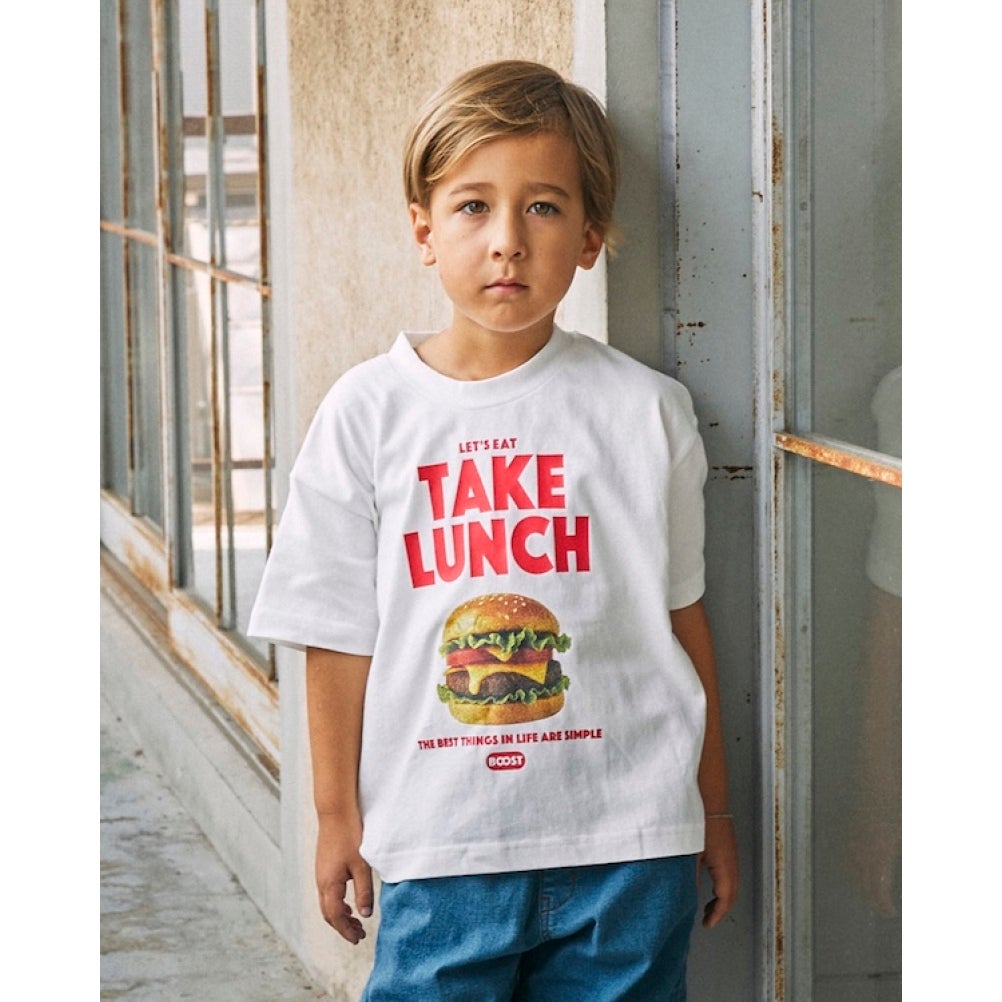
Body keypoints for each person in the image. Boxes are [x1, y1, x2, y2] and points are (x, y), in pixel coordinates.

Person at [248, 59, 738, 1001]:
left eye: (543, 207)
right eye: (473, 206)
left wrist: (711, 811)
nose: (508, 240)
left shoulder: (645, 411)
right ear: (424, 231)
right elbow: (335, 635)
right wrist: (335, 816)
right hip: (444, 845)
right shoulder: (368, 412)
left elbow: (683, 621)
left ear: (589, 238)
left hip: (630, 846)